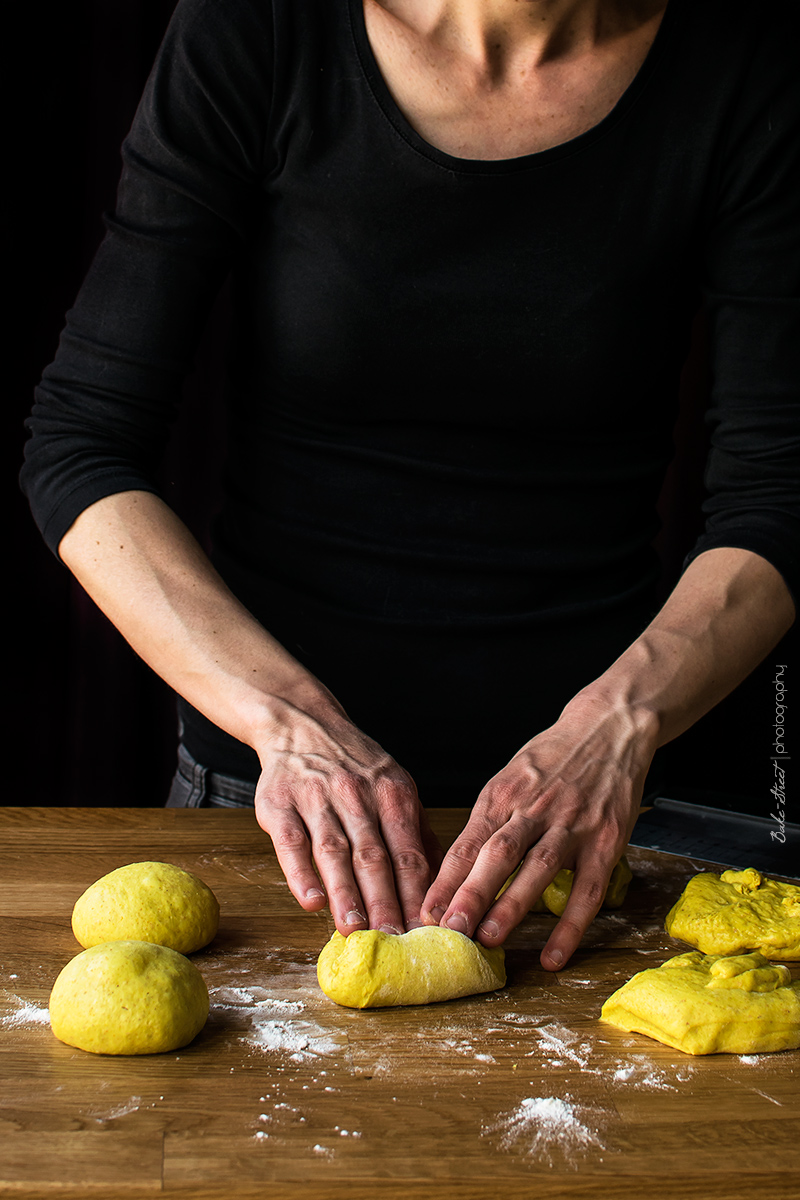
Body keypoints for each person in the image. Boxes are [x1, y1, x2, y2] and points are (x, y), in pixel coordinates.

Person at [22, 0, 799, 971]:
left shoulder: (744, 64)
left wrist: (620, 723)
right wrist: (286, 720)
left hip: (590, 817)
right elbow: (81, 442)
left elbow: (775, 492)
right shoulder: (258, 27)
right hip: (282, 811)